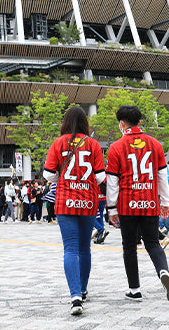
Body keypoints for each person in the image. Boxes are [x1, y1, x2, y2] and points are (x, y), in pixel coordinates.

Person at [106, 105, 169, 304]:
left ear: (122, 124)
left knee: (129, 246)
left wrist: (111, 208)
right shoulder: (155, 144)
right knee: (153, 243)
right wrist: (164, 201)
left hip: (127, 203)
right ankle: (163, 272)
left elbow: (112, 181)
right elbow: (162, 175)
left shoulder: (116, 147)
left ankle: (134, 289)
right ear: (139, 122)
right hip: (149, 201)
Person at [43, 106, 105, 316]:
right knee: (84, 248)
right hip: (87, 200)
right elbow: (99, 177)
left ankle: (75, 295)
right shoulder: (93, 144)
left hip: (65, 200)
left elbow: (48, 174)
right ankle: (84, 289)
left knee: (70, 248)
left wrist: (63, 176)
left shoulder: (58, 143)